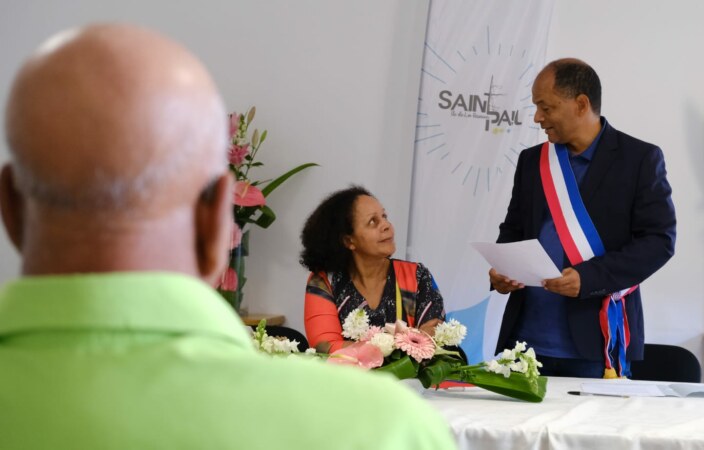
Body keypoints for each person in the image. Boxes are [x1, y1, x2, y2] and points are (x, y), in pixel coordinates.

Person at [0, 24, 456, 450]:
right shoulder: (382, 428)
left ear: (10, 208)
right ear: (219, 220)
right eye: (372, 221)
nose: (386, 226)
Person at [490, 58, 676, 379]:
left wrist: (589, 279)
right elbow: (514, 229)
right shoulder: (532, 161)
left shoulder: (639, 159)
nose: (538, 118)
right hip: (525, 342)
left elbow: (659, 242)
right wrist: (503, 271)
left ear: (581, 104)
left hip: (597, 342)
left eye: (545, 107)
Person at [301, 186, 445, 353]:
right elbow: (326, 348)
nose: (386, 225)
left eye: (384, 216)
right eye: (373, 221)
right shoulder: (325, 282)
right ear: (349, 241)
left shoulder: (417, 276)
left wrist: (366, 348)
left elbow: (431, 341)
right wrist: (404, 343)